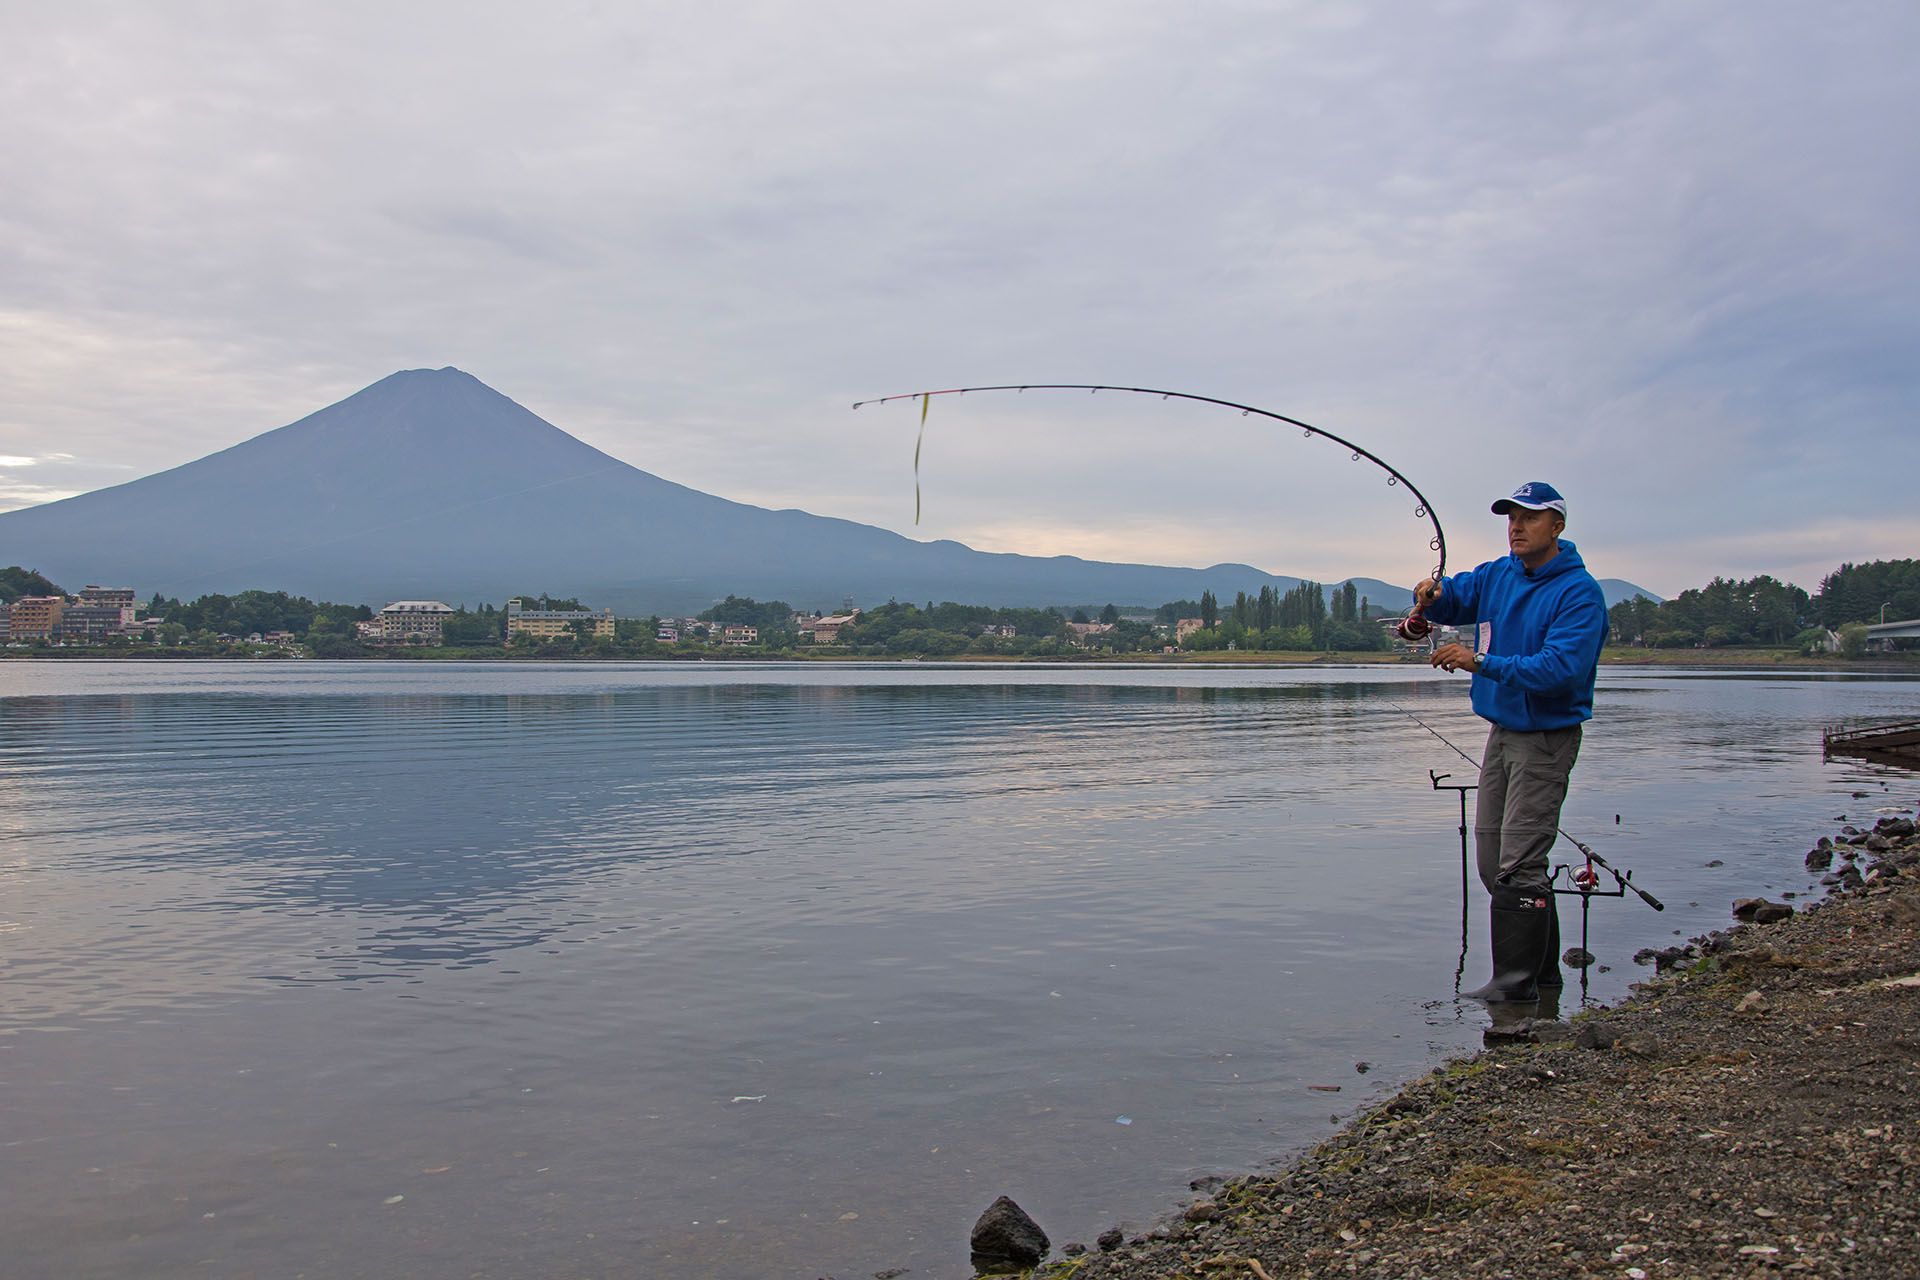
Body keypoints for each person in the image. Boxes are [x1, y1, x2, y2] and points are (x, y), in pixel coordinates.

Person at [1412, 481, 1608, 1004]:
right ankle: (1544, 979)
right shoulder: (1500, 574)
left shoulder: (1579, 593)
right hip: (1502, 732)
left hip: (1547, 737)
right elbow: (1456, 597)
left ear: (1557, 527)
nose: (1517, 527)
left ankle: (1514, 985)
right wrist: (1432, 595)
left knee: (1520, 863)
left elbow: (1560, 670)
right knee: (1493, 858)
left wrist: (1478, 661)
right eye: (1512, 518)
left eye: (1530, 518)